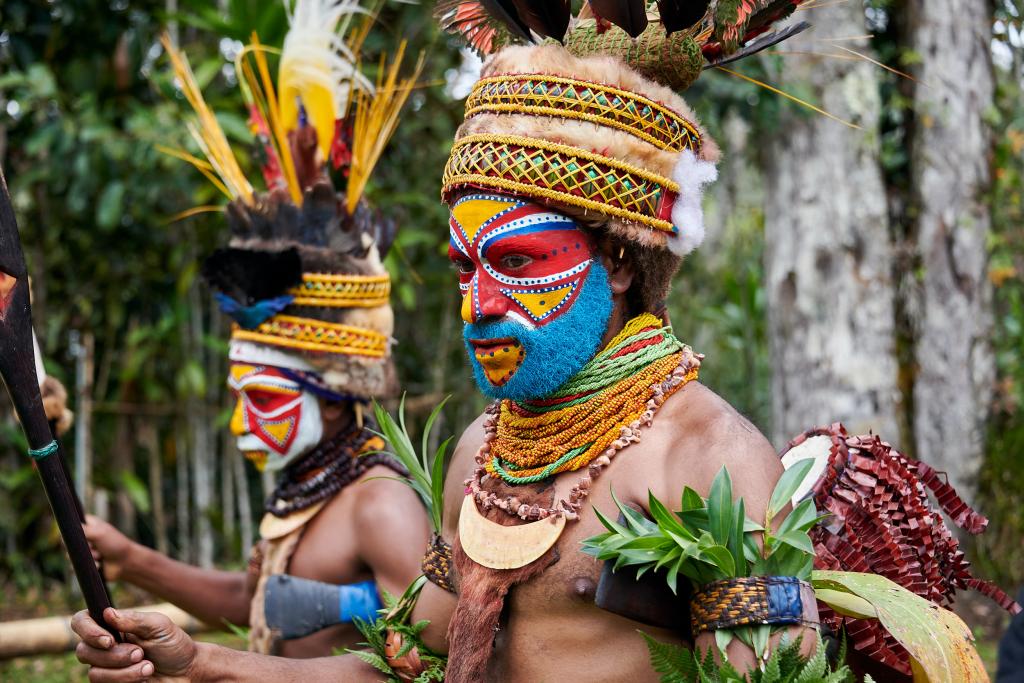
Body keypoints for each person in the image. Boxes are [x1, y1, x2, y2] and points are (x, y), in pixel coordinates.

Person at [70, 2, 1015, 680]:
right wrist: (198, 660)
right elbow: (401, 670)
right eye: (462, 264)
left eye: (520, 262)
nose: (481, 302)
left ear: (615, 259)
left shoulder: (708, 458)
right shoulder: (482, 453)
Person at [80, 1, 429, 659]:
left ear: (332, 392)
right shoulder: (308, 484)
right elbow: (255, 605)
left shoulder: (378, 508)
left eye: (262, 398)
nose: (240, 424)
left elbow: (431, 665)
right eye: (240, 397)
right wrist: (131, 559)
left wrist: (207, 669)